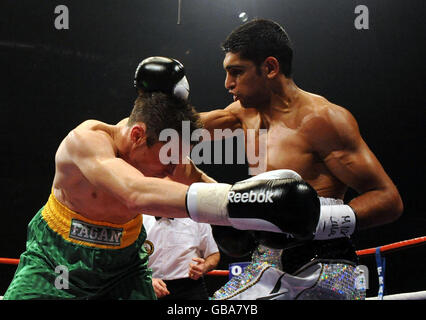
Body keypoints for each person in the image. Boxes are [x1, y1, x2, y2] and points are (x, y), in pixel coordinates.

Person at [3, 56, 323, 299]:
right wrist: (242, 202)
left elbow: (199, 182)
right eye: (167, 161)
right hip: (54, 258)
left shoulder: (169, 153)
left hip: (124, 266)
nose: (173, 171)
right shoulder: (85, 142)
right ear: (139, 135)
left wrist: (250, 215)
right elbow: (134, 192)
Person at [198, 19, 404, 300]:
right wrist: (163, 99)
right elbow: (180, 130)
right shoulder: (242, 114)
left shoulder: (321, 119)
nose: (228, 83)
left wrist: (315, 221)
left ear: (270, 68)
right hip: (267, 263)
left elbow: (388, 199)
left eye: (237, 72)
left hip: (321, 266)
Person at [143, 214, 220, 300]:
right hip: (148, 286)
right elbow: (128, 259)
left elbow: (214, 254)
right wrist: (146, 279)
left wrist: (204, 267)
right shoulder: (139, 219)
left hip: (190, 288)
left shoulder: (196, 219)